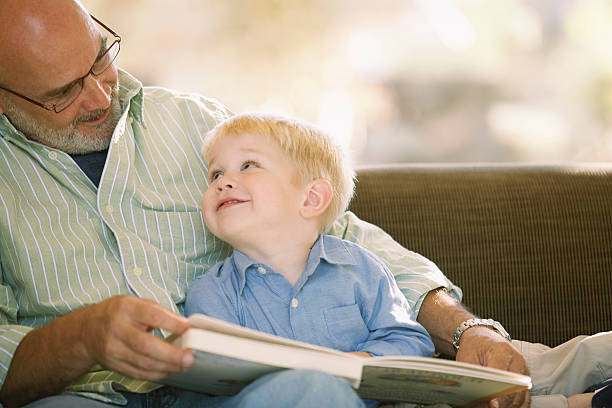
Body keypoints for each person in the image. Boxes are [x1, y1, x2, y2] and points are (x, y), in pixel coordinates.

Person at [0, 1, 608, 407]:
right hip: (100, 395)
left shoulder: (192, 122)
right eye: (61, 94)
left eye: (102, 58)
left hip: (360, 378)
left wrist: (465, 329)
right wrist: (74, 341)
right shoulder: (221, 289)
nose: (101, 94)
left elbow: (344, 236)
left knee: (540, 365)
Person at [184, 113, 435, 371]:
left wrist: (342, 366)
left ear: (311, 199)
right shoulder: (211, 294)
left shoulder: (362, 270)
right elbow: (220, 380)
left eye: (248, 165)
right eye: (215, 174)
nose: (223, 182)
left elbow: (410, 343)